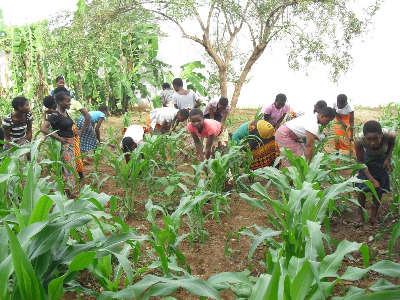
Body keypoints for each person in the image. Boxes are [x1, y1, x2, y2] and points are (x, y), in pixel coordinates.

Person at [354, 121, 396, 226]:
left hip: (382, 159)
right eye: (369, 140)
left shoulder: (389, 135)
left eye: (376, 139)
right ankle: (360, 216)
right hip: (367, 160)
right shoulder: (359, 140)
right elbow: (361, 162)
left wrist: (387, 158)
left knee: (379, 189)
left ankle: (373, 216)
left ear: (381, 135)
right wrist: (372, 180)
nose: (372, 143)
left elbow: (392, 143)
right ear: (364, 137)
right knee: (362, 188)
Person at [40, 92, 77, 198]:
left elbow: (65, 126)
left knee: (70, 168)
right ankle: (68, 193)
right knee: (67, 169)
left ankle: (68, 191)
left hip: (70, 144)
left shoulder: (65, 113)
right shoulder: (55, 115)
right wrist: (59, 138)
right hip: (64, 145)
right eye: (67, 101)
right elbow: (43, 128)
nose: (69, 103)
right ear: (60, 102)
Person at [53, 86, 90, 182]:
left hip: (71, 129)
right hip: (61, 133)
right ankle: (67, 182)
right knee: (64, 158)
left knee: (75, 154)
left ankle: (79, 175)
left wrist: (80, 130)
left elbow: (87, 116)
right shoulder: (58, 109)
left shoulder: (73, 103)